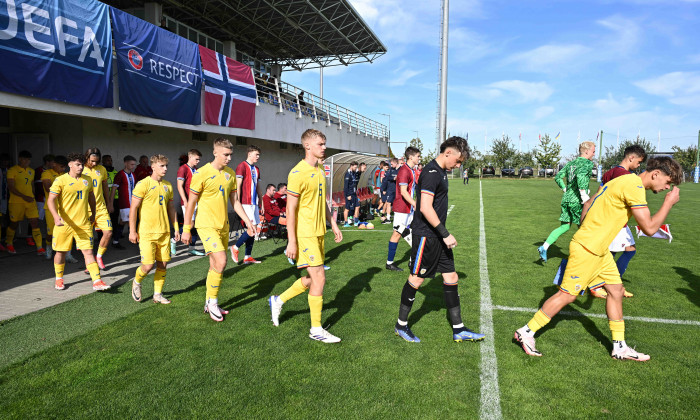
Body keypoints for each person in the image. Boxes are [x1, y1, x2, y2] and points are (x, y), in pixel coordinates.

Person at [515, 156, 682, 361]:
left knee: (616, 290)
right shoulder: (634, 186)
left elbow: (591, 201)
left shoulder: (622, 180)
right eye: (668, 182)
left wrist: (588, 229)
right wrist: (668, 203)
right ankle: (526, 332)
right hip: (588, 249)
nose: (667, 187)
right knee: (567, 296)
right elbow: (649, 228)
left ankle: (619, 347)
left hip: (599, 250)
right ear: (656, 174)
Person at [393, 137, 485, 343]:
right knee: (416, 279)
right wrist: (445, 234)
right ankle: (401, 325)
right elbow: (424, 207)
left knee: (451, 277)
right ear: (448, 153)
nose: (458, 166)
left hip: (437, 236)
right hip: (427, 236)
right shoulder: (432, 173)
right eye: (458, 161)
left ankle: (459, 329)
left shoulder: (441, 172)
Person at [268, 129, 343, 343]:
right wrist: (292, 240)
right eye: (320, 144)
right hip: (305, 234)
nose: (324, 147)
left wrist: (333, 225)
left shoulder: (319, 169)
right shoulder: (297, 173)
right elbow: (290, 210)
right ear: (307, 146)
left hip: (319, 232)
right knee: (319, 278)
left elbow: (322, 202)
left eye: (324, 143)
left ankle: (278, 300)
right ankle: (316, 329)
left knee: (311, 280)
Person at [181, 137, 254, 322]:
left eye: (230, 155)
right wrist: (186, 228)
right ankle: (213, 303)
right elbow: (191, 203)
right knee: (221, 262)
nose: (229, 158)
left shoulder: (229, 174)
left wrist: (248, 221)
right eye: (225, 155)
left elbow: (235, 202)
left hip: (223, 226)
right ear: (215, 153)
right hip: (206, 225)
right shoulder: (201, 173)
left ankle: (209, 301)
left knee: (216, 266)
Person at [577, 145, 647, 299]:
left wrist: (587, 212)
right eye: (639, 161)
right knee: (628, 250)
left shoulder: (610, 172)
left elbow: (599, 194)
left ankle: (603, 283)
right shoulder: (625, 176)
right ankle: (608, 285)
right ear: (631, 158)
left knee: (611, 252)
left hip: (610, 218)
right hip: (616, 220)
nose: (639, 165)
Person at [47, 153, 111, 291]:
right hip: (64, 224)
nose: (81, 167)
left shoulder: (87, 180)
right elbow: (51, 200)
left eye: (82, 164)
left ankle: (97, 281)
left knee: (88, 252)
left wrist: (93, 214)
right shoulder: (60, 180)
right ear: (70, 165)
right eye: (77, 164)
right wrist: (55, 216)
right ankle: (59, 279)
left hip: (83, 223)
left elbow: (91, 198)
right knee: (61, 252)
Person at [129, 154, 180, 304]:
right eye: (161, 166)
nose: (165, 169)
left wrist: (176, 227)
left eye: (166, 166)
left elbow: (171, 208)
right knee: (148, 265)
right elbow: (133, 209)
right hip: (146, 232)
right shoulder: (143, 184)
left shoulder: (168, 185)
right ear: (153, 167)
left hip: (164, 232)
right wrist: (132, 231)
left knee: (163, 264)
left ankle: (157, 295)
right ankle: (137, 282)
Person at [538, 141, 596, 262]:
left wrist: (566, 190)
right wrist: (584, 196)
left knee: (565, 226)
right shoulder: (587, 163)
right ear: (586, 151)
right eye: (593, 151)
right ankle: (582, 257)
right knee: (584, 228)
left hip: (566, 199)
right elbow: (581, 177)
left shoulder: (571, 163)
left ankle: (544, 247)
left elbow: (558, 177)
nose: (594, 154)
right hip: (577, 201)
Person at [386, 147, 421, 271]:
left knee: (413, 231)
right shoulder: (404, 171)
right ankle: (390, 263)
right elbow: (403, 192)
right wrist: (416, 205)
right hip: (402, 207)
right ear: (411, 157)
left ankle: (412, 261)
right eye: (418, 156)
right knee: (397, 232)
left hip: (409, 207)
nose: (419, 158)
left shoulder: (410, 170)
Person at [6, 150, 45, 255]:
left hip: (30, 201)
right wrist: (24, 196)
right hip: (16, 202)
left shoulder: (31, 171)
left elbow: (32, 186)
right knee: (14, 223)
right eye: (25, 159)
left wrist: (33, 196)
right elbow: (11, 187)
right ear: (20, 159)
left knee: (35, 222)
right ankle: (9, 243)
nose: (27, 161)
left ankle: (39, 247)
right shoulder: (12, 170)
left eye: (29, 159)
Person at [230, 145, 264, 264]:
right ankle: (235, 247)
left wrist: (261, 201)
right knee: (251, 229)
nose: (258, 157)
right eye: (256, 154)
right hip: (245, 202)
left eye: (259, 155)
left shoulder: (257, 169)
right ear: (249, 154)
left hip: (254, 203)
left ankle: (247, 256)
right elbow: (237, 186)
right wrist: (237, 201)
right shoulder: (241, 166)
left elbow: (258, 187)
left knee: (253, 230)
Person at [82, 148, 114, 270]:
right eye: (92, 161)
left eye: (97, 161)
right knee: (88, 237)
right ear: (86, 158)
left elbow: (105, 186)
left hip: (101, 207)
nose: (94, 164)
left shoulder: (102, 169)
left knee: (108, 232)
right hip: (86, 209)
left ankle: (98, 257)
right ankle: (89, 263)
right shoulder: (81, 169)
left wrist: (109, 203)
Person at [176, 149, 205, 256]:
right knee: (190, 224)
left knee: (195, 224)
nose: (198, 161)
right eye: (196, 159)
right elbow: (179, 186)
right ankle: (174, 239)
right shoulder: (183, 168)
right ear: (190, 157)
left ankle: (191, 248)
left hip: (197, 201)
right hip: (188, 201)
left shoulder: (196, 170)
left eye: (199, 159)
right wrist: (185, 200)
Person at [41, 156, 71, 261]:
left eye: (64, 167)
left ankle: (68, 254)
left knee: (66, 231)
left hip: (64, 208)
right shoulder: (46, 173)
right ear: (54, 164)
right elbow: (48, 188)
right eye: (61, 167)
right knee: (50, 232)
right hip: (50, 207)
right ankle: (49, 249)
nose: (63, 169)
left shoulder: (65, 175)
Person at [110, 155, 137, 249]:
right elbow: (113, 189)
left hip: (133, 202)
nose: (133, 166)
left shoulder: (133, 174)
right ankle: (116, 241)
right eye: (131, 164)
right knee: (124, 221)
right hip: (124, 203)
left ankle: (132, 238)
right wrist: (111, 203)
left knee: (130, 220)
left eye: (134, 164)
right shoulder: (120, 174)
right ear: (125, 163)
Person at [102, 155, 122, 249]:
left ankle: (115, 237)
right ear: (103, 161)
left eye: (110, 160)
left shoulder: (115, 172)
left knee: (115, 218)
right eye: (107, 160)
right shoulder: (102, 172)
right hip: (105, 199)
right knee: (104, 220)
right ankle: (101, 238)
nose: (109, 162)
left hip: (116, 199)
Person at [380, 158, 399, 224]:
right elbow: (386, 178)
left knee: (396, 204)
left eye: (392, 164)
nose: (391, 165)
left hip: (397, 190)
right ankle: (388, 218)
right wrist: (393, 178)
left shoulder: (400, 170)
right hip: (390, 190)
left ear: (396, 163)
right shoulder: (390, 170)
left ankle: (397, 217)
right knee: (388, 203)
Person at [342, 161, 359, 227]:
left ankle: (356, 221)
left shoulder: (354, 173)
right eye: (355, 167)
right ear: (351, 166)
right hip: (349, 194)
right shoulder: (348, 174)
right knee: (347, 208)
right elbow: (346, 186)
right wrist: (348, 195)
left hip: (354, 193)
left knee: (357, 206)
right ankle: (346, 223)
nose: (356, 168)